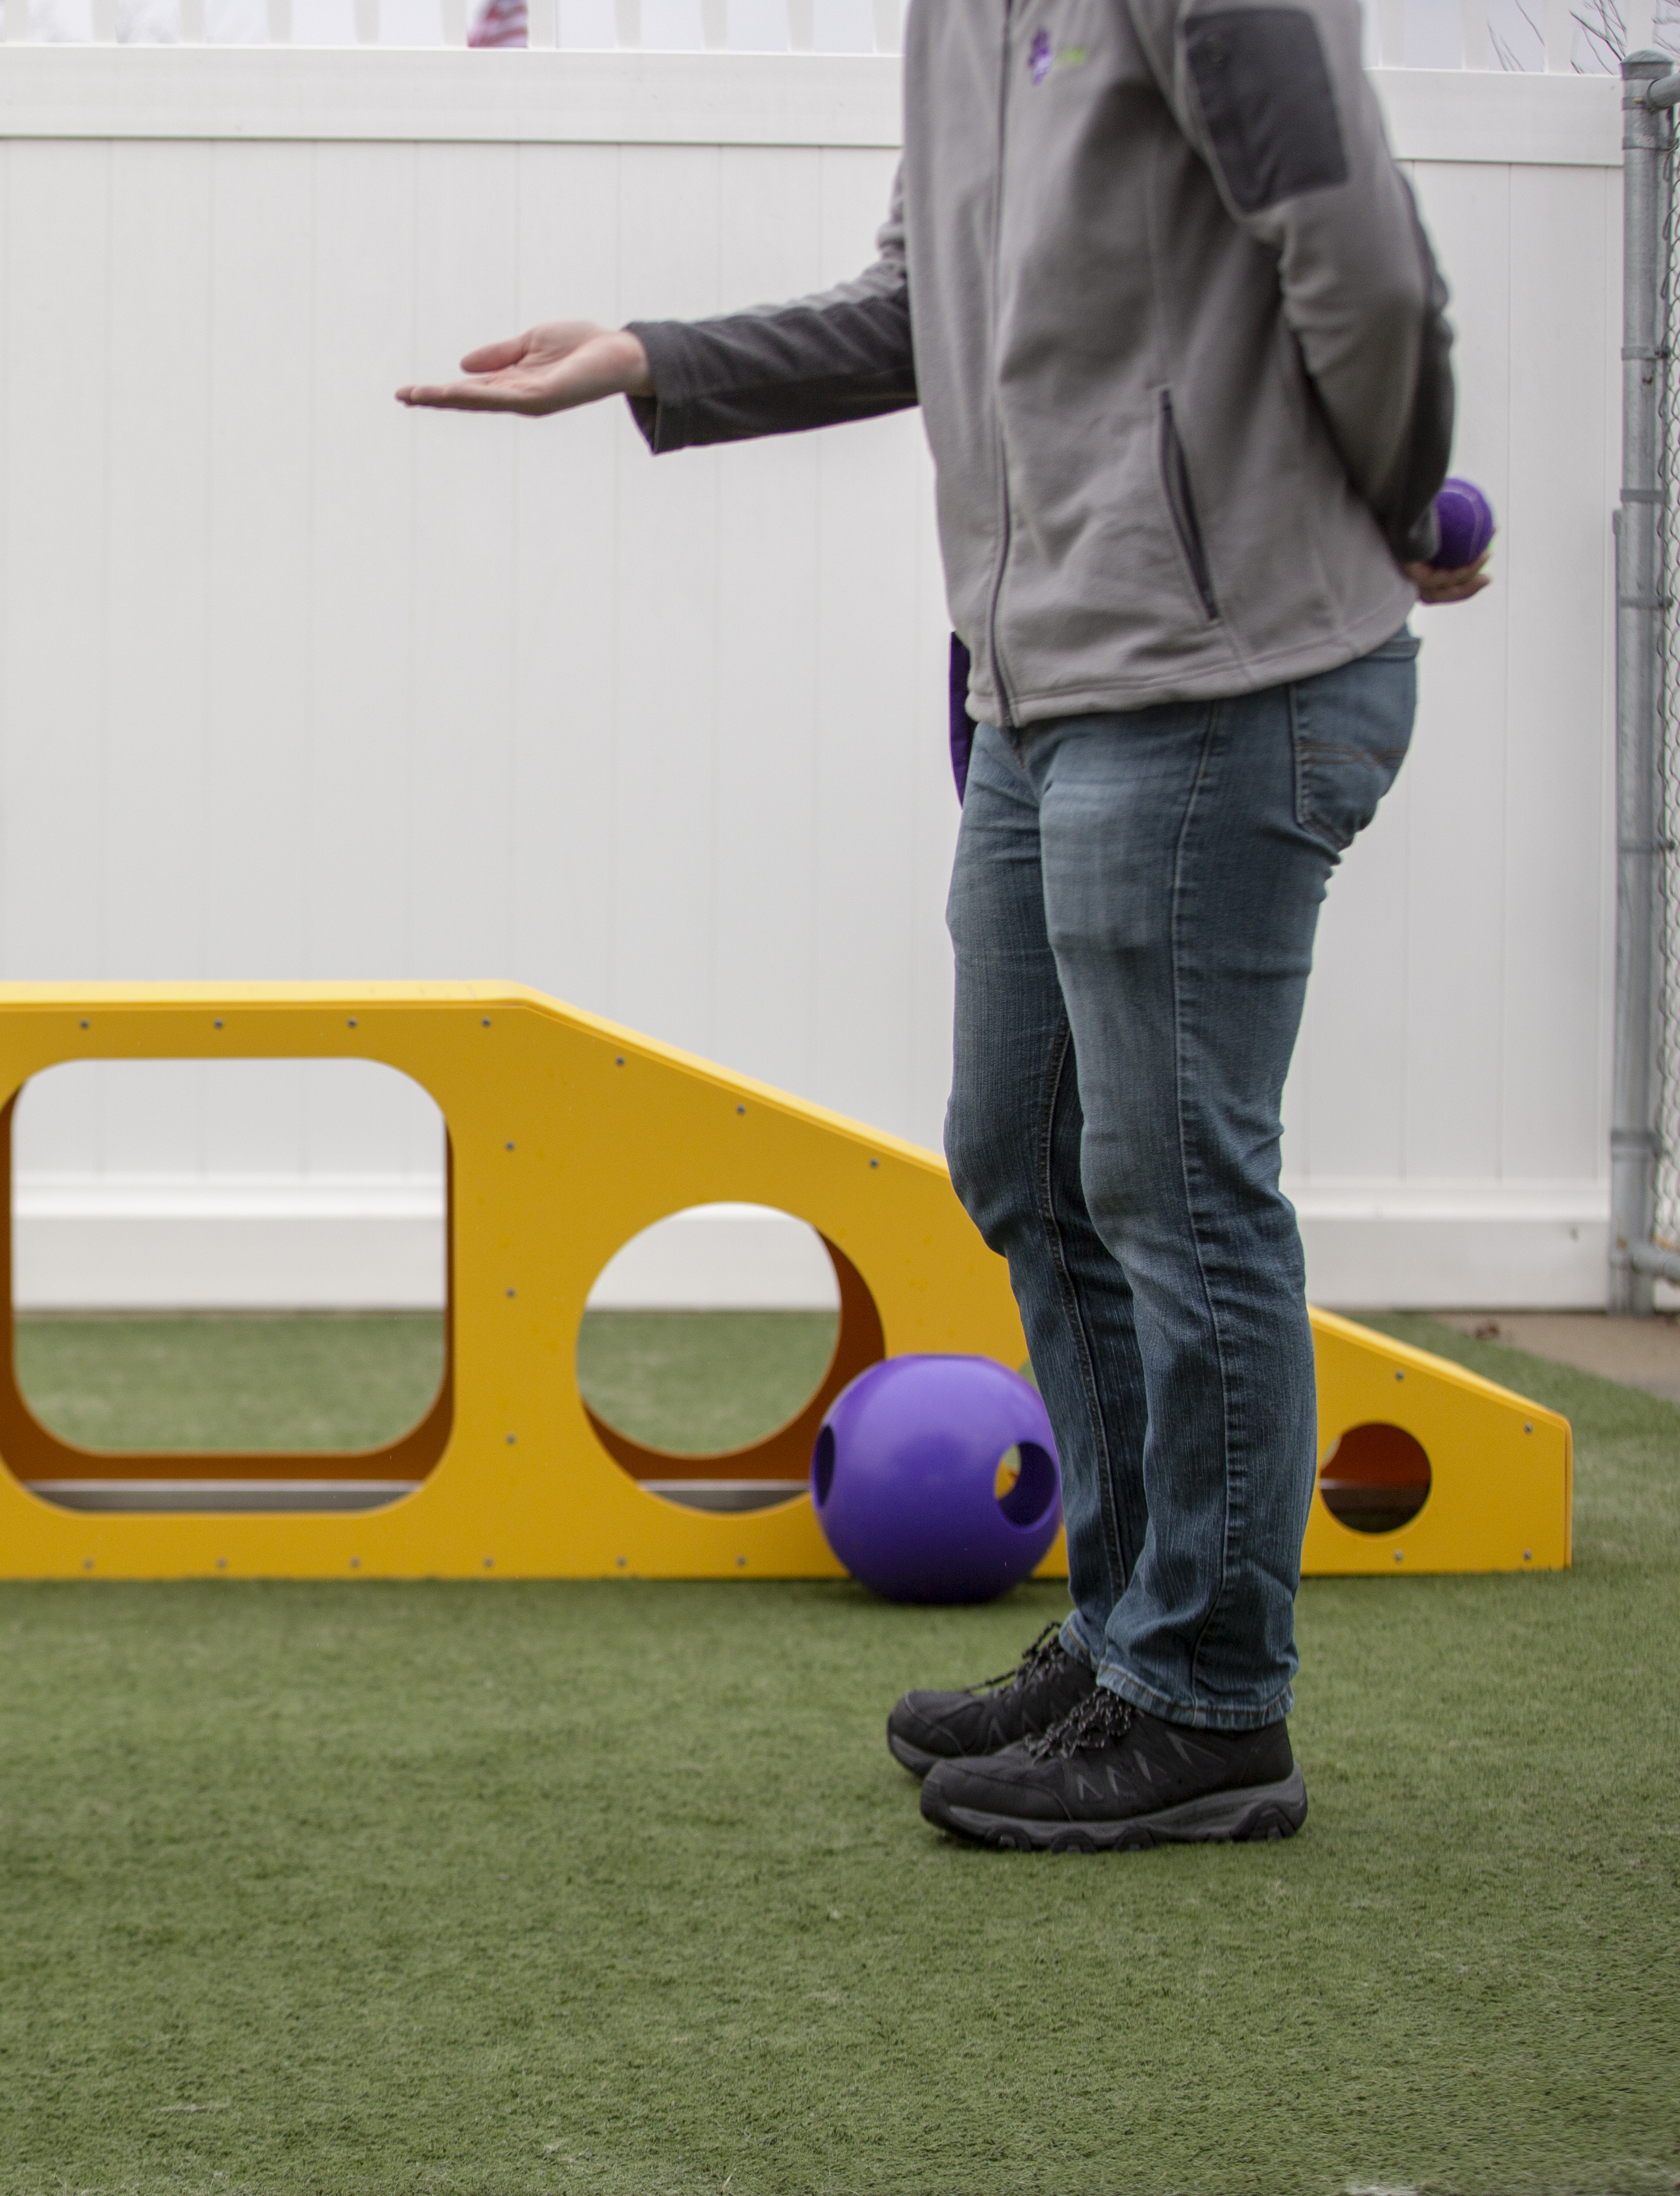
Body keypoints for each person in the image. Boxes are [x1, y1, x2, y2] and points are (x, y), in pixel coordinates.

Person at [399, 0, 1492, 1850]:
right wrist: (649, 356)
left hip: (1221, 674)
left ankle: (1215, 1695)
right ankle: (1132, 1625)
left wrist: (1393, 505)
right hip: (1044, 679)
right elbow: (926, 310)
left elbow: (1366, 265)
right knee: (1025, 1157)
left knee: (1177, 1184)